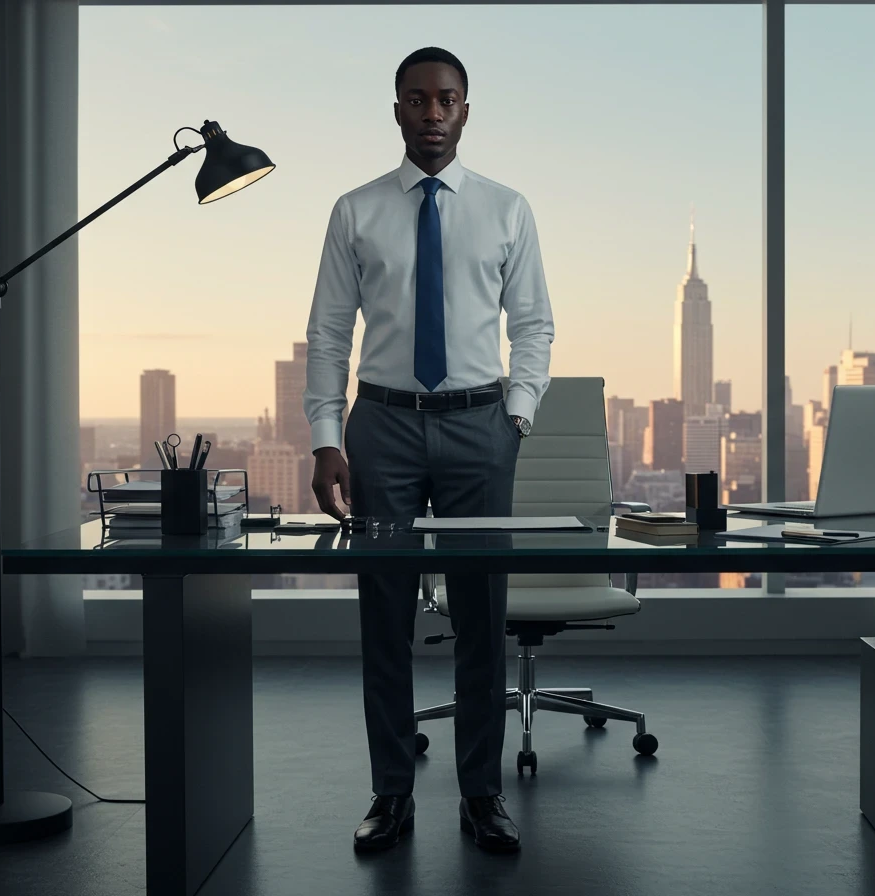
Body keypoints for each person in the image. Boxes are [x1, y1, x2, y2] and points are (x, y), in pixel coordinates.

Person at [303, 46, 554, 854]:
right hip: (384, 429)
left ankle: (482, 796)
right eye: (418, 100)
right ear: (399, 111)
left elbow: (536, 325)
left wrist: (515, 414)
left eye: (448, 100)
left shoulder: (508, 208)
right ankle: (392, 793)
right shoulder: (356, 210)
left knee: (482, 617)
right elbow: (329, 335)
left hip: (481, 427)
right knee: (385, 615)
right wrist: (325, 438)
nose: (434, 114)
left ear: (466, 111)